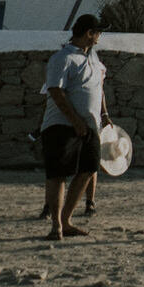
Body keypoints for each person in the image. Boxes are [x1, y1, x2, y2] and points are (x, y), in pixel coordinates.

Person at [39, 14, 111, 240]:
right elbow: (56, 91)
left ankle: (66, 219)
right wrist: (75, 121)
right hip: (61, 124)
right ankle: (56, 227)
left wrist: (103, 115)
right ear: (89, 33)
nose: (100, 36)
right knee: (58, 173)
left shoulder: (94, 59)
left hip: (89, 125)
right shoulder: (63, 58)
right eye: (98, 32)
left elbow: (98, 88)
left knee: (90, 168)